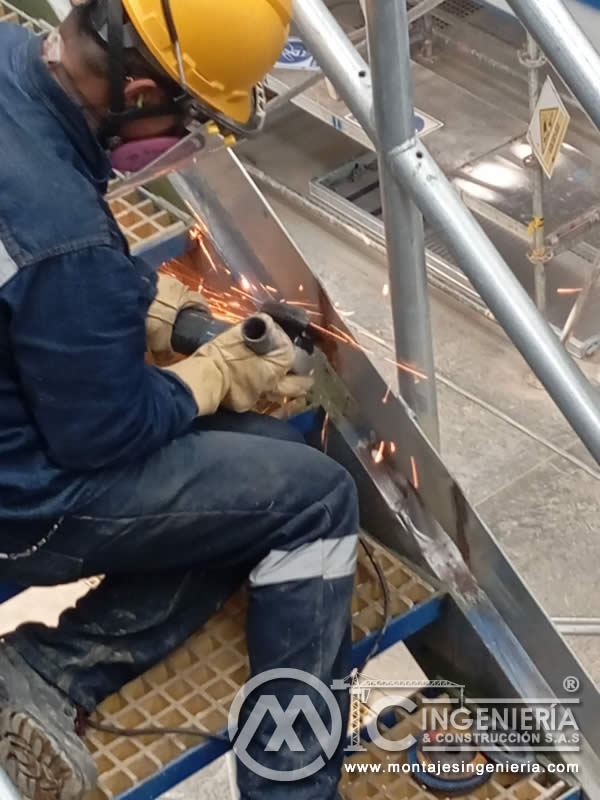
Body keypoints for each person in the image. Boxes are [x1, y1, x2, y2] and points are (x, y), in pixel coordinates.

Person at [0, 1, 360, 799]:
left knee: (274, 464)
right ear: (137, 90)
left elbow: (37, 272)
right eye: (188, 114)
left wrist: (159, 311)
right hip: (19, 502)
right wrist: (216, 377)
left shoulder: (8, 63)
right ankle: (294, 789)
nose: (184, 136)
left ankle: (54, 669)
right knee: (316, 499)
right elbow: (104, 434)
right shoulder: (68, 241)